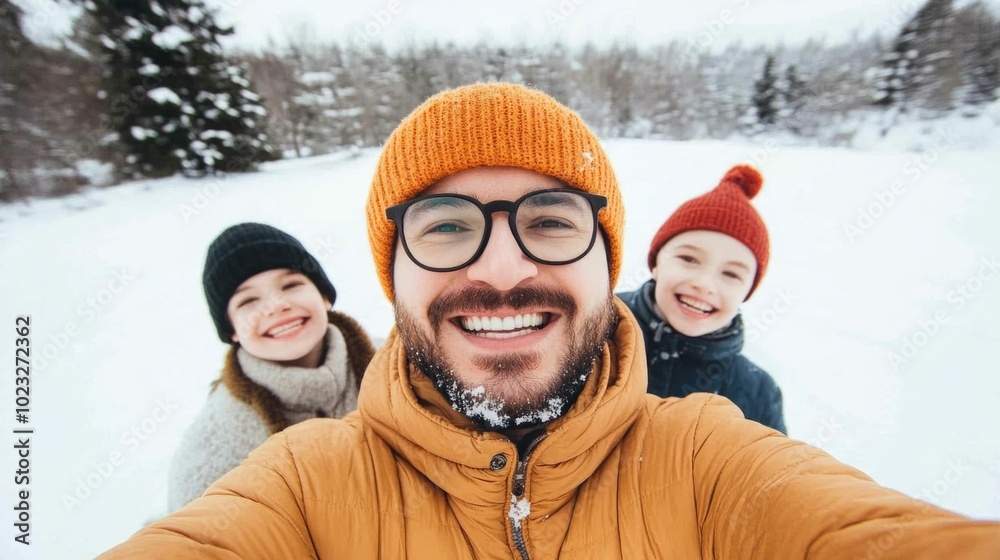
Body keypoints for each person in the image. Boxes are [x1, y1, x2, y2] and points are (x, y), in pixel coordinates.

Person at [100, 83, 1000, 558]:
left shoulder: (706, 455)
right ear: (391, 274)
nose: (501, 268)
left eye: (552, 222)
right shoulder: (303, 480)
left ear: (610, 265)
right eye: (446, 226)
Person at [166, 222, 376, 511]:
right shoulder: (217, 449)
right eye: (248, 300)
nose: (275, 306)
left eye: (291, 285)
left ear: (324, 296)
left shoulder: (400, 362)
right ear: (233, 330)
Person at [617, 164, 786, 433]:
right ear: (657, 263)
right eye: (688, 258)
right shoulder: (594, 329)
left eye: (731, 274)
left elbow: (773, 473)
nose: (704, 284)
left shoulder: (757, 392)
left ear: (747, 292)